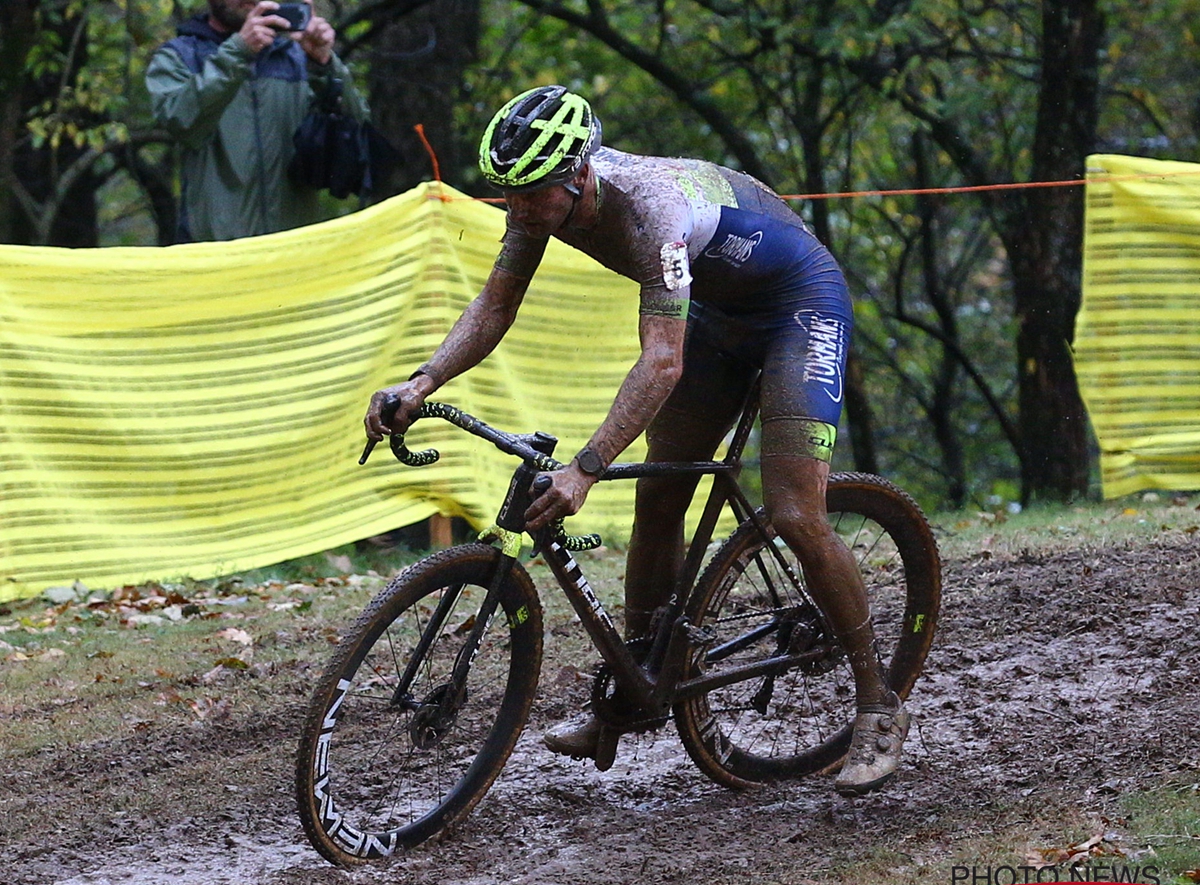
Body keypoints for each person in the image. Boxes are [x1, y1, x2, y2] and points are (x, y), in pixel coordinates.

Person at [364, 86, 909, 797]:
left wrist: (586, 467)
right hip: (719, 310)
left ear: (578, 176)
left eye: (530, 197)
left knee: (795, 513)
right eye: (508, 196)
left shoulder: (651, 211)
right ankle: (637, 688)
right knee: (659, 499)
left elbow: (661, 361)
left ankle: (878, 704)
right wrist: (421, 380)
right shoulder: (541, 198)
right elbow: (496, 304)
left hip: (798, 308)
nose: (517, 212)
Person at [146, 0, 369, 242]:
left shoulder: (298, 56)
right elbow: (180, 121)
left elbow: (360, 129)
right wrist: (238, 51)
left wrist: (324, 65)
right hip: (216, 253)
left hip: (294, 250)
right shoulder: (180, 56)